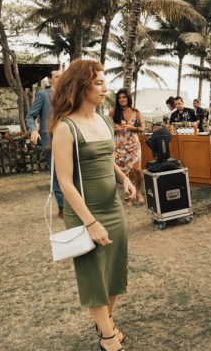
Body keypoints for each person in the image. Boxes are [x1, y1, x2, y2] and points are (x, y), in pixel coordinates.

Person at [50, 60, 136, 351]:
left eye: (104, 81)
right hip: (84, 213)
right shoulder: (66, 127)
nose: (104, 88)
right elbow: (65, 182)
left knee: (113, 270)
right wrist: (90, 222)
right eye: (98, 82)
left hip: (113, 207)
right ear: (80, 85)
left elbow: (106, 158)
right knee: (92, 275)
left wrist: (124, 179)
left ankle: (105, 322)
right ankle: (108, 336)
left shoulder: (102, 120)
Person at [27, 69, 64, 218]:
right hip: (50, 140)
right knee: (56, 174)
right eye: (57, 76)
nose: (61, 78)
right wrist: (33, 131)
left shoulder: (69, 94)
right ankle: (62, 207)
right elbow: (30, 116)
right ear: (50, 80)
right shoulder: (43, 95)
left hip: (68, 139)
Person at [109, 89, 145, 207]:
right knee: (125, 171)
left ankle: (138, 191)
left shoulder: (135, 112)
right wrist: (116, 129)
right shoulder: (113, 112)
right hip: (119, 145)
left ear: (128, 98)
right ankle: (130, 195)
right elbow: (107, 128)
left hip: (133, 144)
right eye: (119, 98)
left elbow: (142, 128)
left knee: (137, 170)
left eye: (124, 97)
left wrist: (130, 126)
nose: (121, 99)